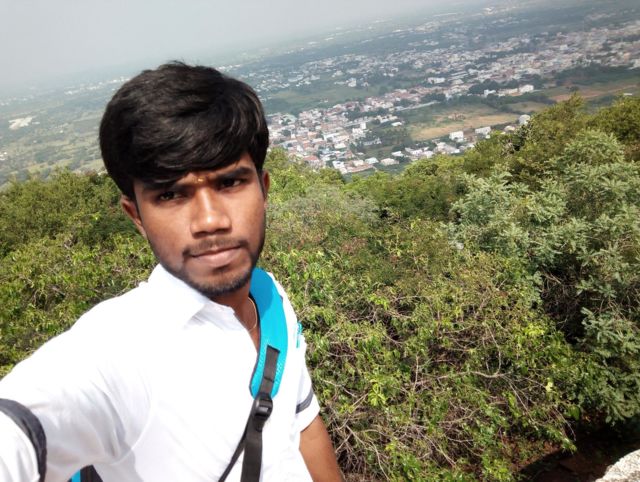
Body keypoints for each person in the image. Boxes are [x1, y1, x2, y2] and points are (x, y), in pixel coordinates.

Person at [0, 62, 342, 482]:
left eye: (230, 183)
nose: (211, 220)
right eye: (170, 195)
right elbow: (20, 428)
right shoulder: (122, 350)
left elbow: (303, 426)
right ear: (136, 216)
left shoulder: (270, 297)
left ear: (264, 189)